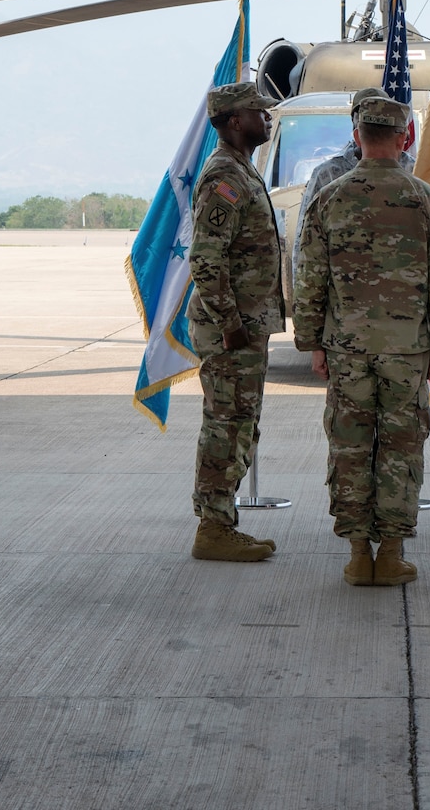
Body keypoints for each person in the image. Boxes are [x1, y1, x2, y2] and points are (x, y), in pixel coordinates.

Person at [294, 95, 430, 586]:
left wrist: (314, 344)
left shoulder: (330, 198)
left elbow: (309, 280)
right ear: (404, 137)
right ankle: (390, 553)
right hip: (407, 351)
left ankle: (355, 554)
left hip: (346, 350)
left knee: (349, 445)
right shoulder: (427, 201)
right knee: (401, 448)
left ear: (357, 136)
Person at [186, 81, 286, 562]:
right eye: (257, 112)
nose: (266, 119)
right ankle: (214, 527)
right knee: (227, 425)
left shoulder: (242, 171)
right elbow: (206, 259)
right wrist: (229, 323)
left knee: (239, 424)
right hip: (232, 329)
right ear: (232, 121)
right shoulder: (224, 177)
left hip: (244, 325)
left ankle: (219, 522)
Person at [290, 88, 416, 277]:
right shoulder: (328, 175)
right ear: (355, 125)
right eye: (363, 114)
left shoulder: (413, 170)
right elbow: (304, 247)